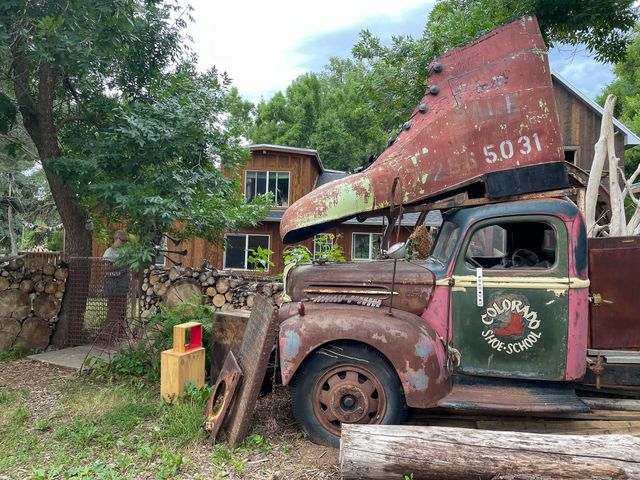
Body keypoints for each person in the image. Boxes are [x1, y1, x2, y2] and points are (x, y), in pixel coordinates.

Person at [103, 230, 130, 338]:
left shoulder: (124, 252)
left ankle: (118, 335)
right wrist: (124, 266)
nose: (124, 243)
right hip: (113, 286)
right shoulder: (109, 252)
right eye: (122, 241)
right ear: (116, 239)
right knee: (114, 311)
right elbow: (106, 269)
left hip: (122, 286)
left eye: (126, 241)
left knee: (122, 312)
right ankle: (109, 335)